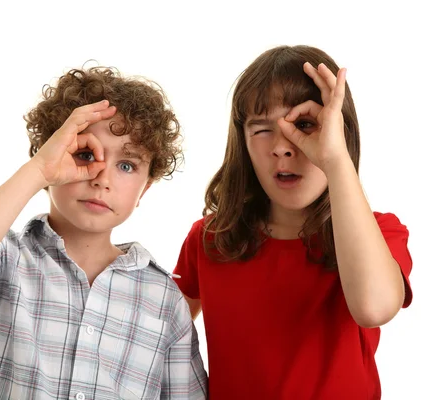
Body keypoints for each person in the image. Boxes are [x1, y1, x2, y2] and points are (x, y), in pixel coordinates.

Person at [0, 66, 208, 399]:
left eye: (127, 165)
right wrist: (38, 171)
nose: (102, 178)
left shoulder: (163, 299)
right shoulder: (4, 259)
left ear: (145, 189)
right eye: (84, 154)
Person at [173, 45, 412, 399]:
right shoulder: (210, 238)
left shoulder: (380, 233)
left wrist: (335, 160)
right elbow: (156, 336)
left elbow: (373, 308)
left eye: (304, 125)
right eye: (262, 129)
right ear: (244, 143)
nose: (284, 147)